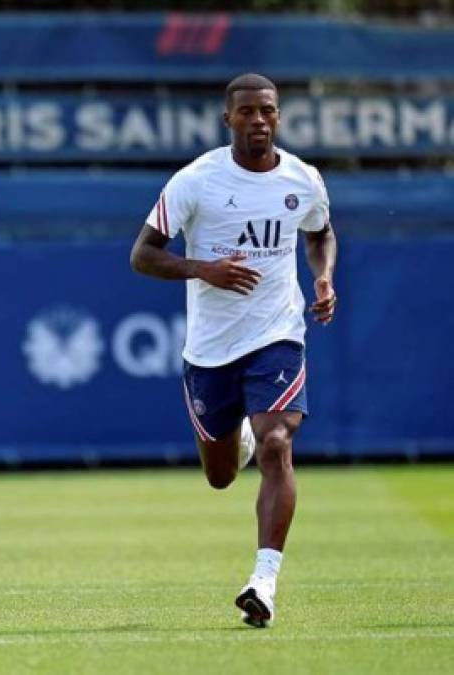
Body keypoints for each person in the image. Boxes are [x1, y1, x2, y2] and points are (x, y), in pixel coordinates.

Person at [129, 73, 337, 628]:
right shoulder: (197, 180)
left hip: (277, 334)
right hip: (211, 348)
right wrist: (202, 269)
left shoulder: (302, 178)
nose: (258, 120)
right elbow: (143, 255)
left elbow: (319, 232)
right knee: (220, 475)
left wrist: (323, 279)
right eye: (246, 112)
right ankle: (236, 437)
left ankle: (263, 581)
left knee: (277, 444)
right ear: (229, 120)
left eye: (267, 110)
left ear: (278, 115)